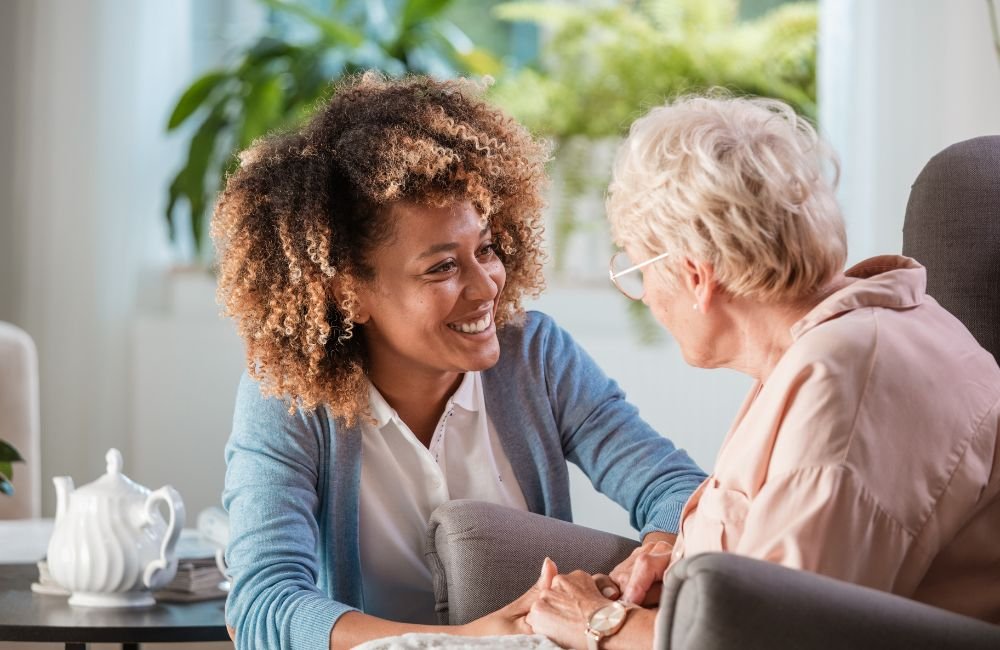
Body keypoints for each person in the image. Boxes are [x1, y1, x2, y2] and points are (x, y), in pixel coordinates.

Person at [213, 72, 707, 650]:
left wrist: (657, 552)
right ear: (350, 293)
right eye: (442, 267)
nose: (486, 287)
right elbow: (262, 603)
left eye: (486, 249)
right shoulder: (289, 396)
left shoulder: (535, 354)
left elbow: (675, 486)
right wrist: (461, 641)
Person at [525, 94, 1000, 648]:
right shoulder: (839, 342)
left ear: (695, 275)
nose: (646, 297)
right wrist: (674, 563)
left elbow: (775, 637)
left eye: (637, 268)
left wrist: (598, 624)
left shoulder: (844, 382)